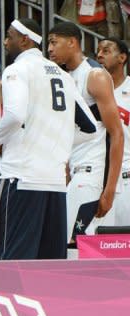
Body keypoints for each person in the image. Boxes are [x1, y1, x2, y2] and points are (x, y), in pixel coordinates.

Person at [0, 19, 98, 260]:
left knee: (4, 264)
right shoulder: (63, 76)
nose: (5, 41)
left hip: (21, 180)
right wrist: (58, 142)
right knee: (48, 267)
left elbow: (15, 114)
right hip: (55, 186)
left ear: (24, 39)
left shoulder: (17, 69)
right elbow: (91, 128)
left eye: (9, 35)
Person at [48, 22, 123, 243]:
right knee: (68, 246)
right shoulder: (62, 78)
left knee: (73, 247)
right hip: (74, 172)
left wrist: (109, 189)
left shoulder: (95, 76)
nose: (50, 49)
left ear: (72, 42)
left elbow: (116, 134)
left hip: (92, 174)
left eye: (54, 42)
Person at [97, 37, 130, 225]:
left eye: (106, 51)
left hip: (126, 177)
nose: (100, 55)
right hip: (99, 176)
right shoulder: (92, 90)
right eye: (98, 51)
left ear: (122, 58)